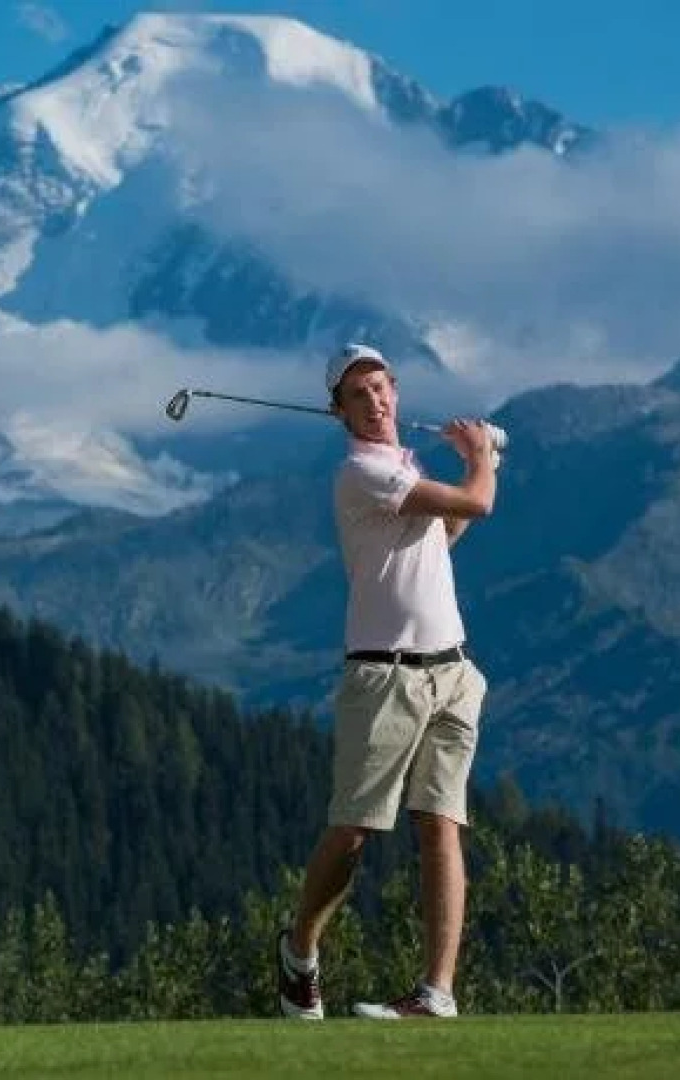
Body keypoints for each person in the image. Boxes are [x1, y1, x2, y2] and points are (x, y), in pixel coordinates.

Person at [276, 343, 499, 1021]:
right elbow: (480, 505)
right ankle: (299, 950)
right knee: (353, 832)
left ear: (395, 392)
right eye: (357, 395)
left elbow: (446, 532)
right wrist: (482, 457)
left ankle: (436, 993)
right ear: (340, 412)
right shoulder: (361, 472)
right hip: (384, 677)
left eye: (380, 388)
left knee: (442, 826)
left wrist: (470, 468)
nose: (374, 401)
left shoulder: (405, 467)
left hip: (452, 671)